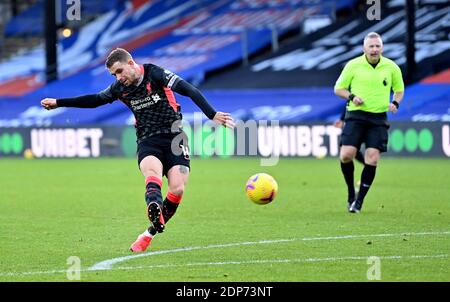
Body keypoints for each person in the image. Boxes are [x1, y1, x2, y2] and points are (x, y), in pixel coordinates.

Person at [41, 48, 235, 251]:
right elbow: (96, 100)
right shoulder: (119, 88)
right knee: (152, 174)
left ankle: (148, 233)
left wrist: (211, 114)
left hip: (174, 136)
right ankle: (154, 206)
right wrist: (59, 103)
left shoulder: (155, 74)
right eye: (114, 74)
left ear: (131, 63)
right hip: (147, 139)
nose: (118, 77)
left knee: (177, 188)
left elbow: (189, 90)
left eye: (119, 71)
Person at [334, 32, 404, 213]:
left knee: (372, 158)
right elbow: (338, 88)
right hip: (356, 115)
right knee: (346, 155)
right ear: (364, 48)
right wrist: (352, 96)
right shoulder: (353, 65)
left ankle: (358, 202)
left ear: (382, 47)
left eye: (377, 46)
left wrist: (395, 103)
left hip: (378, 118)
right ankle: (351, 192)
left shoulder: (391, 67)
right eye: (371, 46)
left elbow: (399, 90)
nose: (374, 50)